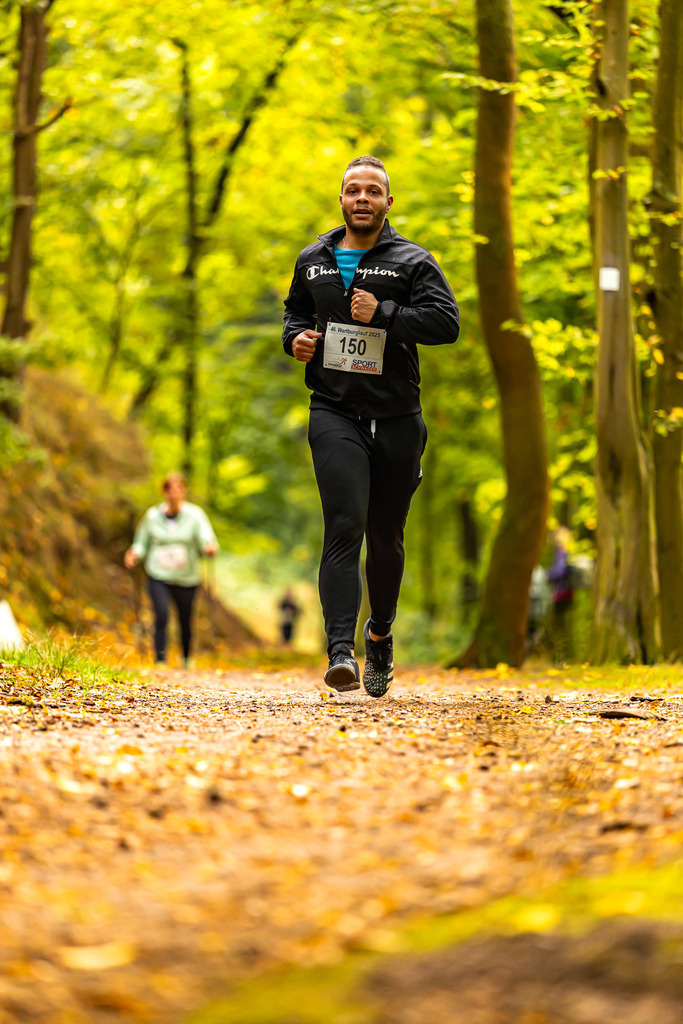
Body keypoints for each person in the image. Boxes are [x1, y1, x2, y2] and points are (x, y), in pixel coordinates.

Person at [282, 155, 459, 697]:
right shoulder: (314, 258)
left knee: (385, 537)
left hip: (398, 417)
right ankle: (341, 653)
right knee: (344, 524)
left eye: (373, 191)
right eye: (352, 190)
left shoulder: (413, 261)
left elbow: (445, 324)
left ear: (387, 202)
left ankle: (378, 634)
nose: (362, 198)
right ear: (341, 199)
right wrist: (295, 340)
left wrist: (382, 313)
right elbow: (294, 312)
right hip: (334, 409)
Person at [124, 472, 218, 667]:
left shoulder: (195, 515)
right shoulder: (152, 516)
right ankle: (160, 660)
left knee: (185, 618)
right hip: (159, 574)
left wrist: (209, 546)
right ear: (164, 491)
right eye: (170, 489)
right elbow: (141, 543)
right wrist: (134, 553)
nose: (174, 493)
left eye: (179, 489)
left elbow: (206, 537)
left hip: (187, 576)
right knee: (161, 614)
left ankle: (186, 658)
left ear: (184, 491)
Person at [546, 527, 575, 662]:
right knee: (562, 625)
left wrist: (548, 574)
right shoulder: (569, 553)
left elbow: (559, 572)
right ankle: (564, 656)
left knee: (559, 626)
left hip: (561, 593)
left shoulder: (561, 553)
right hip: (568, 593)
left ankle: (561, 657)